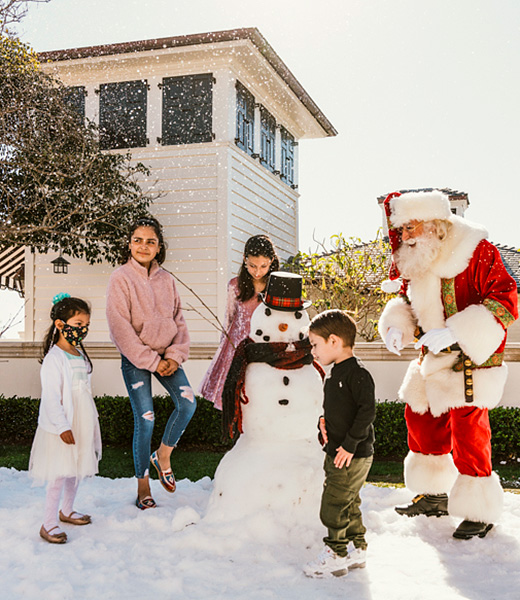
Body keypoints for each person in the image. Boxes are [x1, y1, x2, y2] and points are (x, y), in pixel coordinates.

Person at [378, 189, 518, 540]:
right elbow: (405, 299)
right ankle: (435, 495)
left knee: (469, 432)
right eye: (402, 229)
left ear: (435, 223)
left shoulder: (475, 249)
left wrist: (456, 332)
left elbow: (506, 298)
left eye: (411, 228)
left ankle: (477, 510)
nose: (405, 236)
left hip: (471, 359)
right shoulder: (416, 256)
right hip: (432, 358)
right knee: (421, 421)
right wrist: (397, 324)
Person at [106, 216, 196, 510]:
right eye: (138, 240)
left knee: (188, 404)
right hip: (137, 359)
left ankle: (164, 455)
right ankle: (143, 485)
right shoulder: (120, 278)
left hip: (168, 356)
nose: (143, 246)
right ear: (129, 244)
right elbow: (120, 327)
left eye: (150, 241)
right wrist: (152, 362)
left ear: (159, 248)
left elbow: (179, 321)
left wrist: (173, 356)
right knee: (146, 419)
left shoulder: (167, 279)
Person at [304, 309, 376, 578]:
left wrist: (348, 445)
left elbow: (366, 412)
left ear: (333, 341)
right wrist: (326, 424)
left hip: (350, 455)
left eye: (315, 345)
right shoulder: (336, 374)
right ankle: (357, 548)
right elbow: (341, 411)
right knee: (349, 502)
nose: (313, 351)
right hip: (342, 450)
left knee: (334, 504)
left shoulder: (357, 374)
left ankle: (336, 552)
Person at [29, 293, 101, 544]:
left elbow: (84, 393)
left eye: (86, 326)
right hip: (64, 423)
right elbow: (51, 397)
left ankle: (67, 509)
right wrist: (62, 426)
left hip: (81, 419)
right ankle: (48, 522)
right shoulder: (54, 359)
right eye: (79, 325)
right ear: (61, 324)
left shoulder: (79, 355)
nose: (83, 331)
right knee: (60, 472)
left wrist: (90, 421)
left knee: (76, 469)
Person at [199, 234, 279, 410]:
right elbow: (229, 319)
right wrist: (223, 351)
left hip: (264, 349)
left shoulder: (277, 287)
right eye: (252, 266)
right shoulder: (235, 286)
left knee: (260, 401)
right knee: (236, 404)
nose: (257, 271)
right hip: (236, 349)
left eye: (263, 266)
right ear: (244, 260)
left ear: (271, 262)